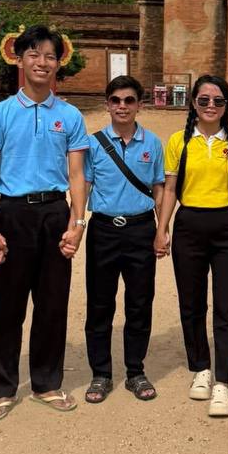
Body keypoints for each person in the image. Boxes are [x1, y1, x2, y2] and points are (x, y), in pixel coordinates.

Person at [0, 25, 88, 420]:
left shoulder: (70, 115)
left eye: (50, 56)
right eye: (34, 54)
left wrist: (78, 223)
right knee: (6, 303)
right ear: (19, 59)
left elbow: (77, 175)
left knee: (53, 302)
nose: (42, 63)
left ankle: (46, 382)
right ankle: (1, 386)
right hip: (12, 212)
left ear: (59, 63)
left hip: (55, 212)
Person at [154, 75, 228, 418]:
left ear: (226, 105)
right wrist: (162, 228)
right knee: (192, 302)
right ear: (193, 104)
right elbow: (170, 189)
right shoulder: (179, 142)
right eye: (204, 100)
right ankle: (200, 366)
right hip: (189, 226)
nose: (211, 106)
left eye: (218, 100)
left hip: (227, 227)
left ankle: (223, 382)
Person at [82, 75, 165, 405]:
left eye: (129, 100)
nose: (122, 106)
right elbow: (83, 186)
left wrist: (162, 228)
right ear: (107, 104)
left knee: (139, 302)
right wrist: (75, 225)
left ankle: (135, 371)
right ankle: (101, 373)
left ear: (139, 105)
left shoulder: (153, 144)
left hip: (140, 229)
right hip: (103, 229)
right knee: (100, 304)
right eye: (116, 100)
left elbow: (159, 187)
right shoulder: (93, 143)